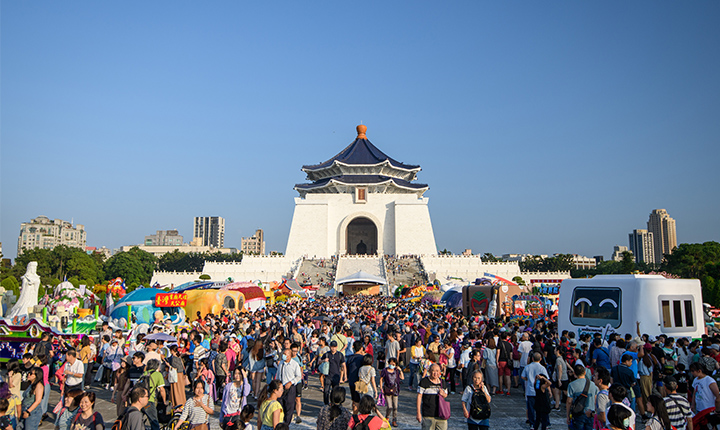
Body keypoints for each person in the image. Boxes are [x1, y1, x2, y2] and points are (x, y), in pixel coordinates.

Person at [521, 352, 550, 429]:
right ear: (540, 359)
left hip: (530, 389)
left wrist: (528, 379)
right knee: (542, 408)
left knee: (531, 408)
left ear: (532, 358)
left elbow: (523, 377)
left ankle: (532, 423)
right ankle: (545, 423)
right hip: (540, 391)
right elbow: (547, 379)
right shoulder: (542, 368)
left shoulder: (527, 367)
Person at [566, 364, 599, 430]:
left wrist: (568, 415)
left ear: (574, 373)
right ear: (585, 372)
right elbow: (595, 401)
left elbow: (569, 402)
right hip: (590, 413)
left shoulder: (571, 385)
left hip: (578, 414)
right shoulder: (593, 384)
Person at [417, 364, 449, 430]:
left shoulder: (442, 382)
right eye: (433, 371)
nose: (435, 373)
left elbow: (445, 395)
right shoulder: (424, 382)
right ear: (429, 371)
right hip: (428, 415)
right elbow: (419, 397)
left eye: (437, 371)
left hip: (441, 415)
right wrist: (418, 413)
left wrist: (443, 394)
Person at [690, 362, 720, 429]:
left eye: (693, 371)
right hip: (699, 408)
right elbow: (694, 393)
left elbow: (717, 395)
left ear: (699, 371)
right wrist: (693, 404)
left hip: (709, 408)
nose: (692, 373)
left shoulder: (709, 380)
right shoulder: (695, 380)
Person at [276, 347, 301, 426]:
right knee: (280, 404)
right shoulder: (281, 363)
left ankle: (286, 424)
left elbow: (298, 376)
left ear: (289, 355)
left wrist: (291, 382)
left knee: (289, 406)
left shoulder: (294, 364)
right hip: (281, 387)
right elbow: (278, 374)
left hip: (290, 387)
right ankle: (280, 420)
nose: (283, 355)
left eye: (285, 354)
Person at [142, 359, 167, 430]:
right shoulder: (158, 374)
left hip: (140, 400)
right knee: (154, 421)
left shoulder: (144, 373)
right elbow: (162, 389)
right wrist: (164, 401)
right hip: (149, 400)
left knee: (140, 420)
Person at [379, 357, 404, 427]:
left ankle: (394, 420)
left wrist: (400, 370)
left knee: (395, 406)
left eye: (394, 363)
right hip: (387, 389)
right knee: (389, 406)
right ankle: (387, 417)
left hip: (395, 390)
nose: (392, 364)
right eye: (391, 363)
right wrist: (381, 388)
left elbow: (402, 378)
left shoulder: (396, 371)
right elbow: (381, 379)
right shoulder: (385, 370)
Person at [321, 341, 346, 405]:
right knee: (326, 391)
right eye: (332, 347)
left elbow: (343, 365)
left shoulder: (340, 355)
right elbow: (319, 361)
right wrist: (324, 360)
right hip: (327, 375)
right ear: (330, 347)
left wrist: (345, 375)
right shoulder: (326, 354)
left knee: (335, 391)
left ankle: (334, 403)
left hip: (336, 375)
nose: (333, 348)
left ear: (337, 347)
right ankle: (326, 403)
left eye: (334, 347)